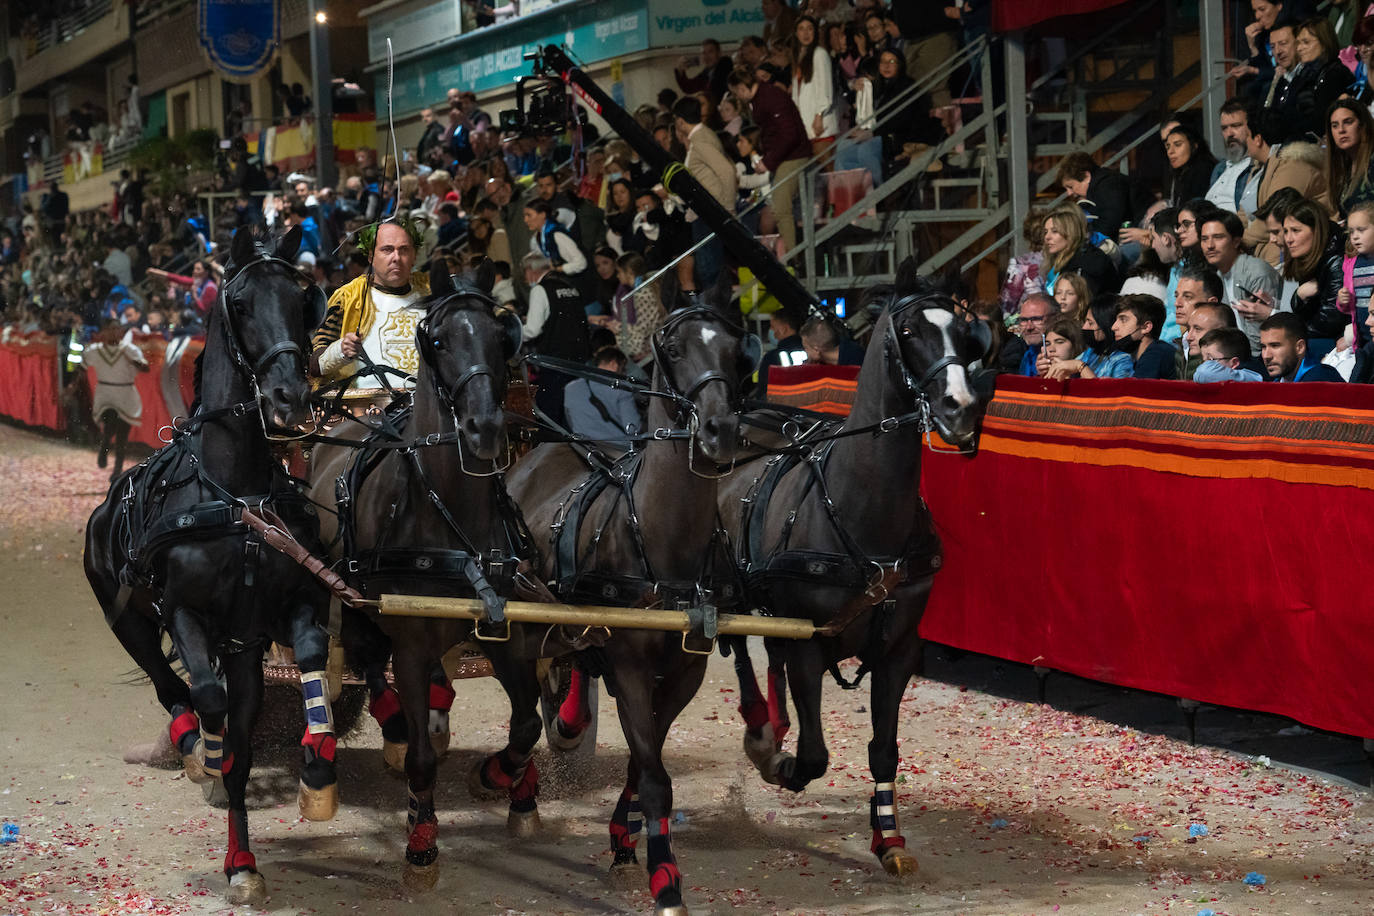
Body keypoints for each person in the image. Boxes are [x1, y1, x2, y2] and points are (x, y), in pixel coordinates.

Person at [310, 219, 429, 386]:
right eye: (387, 250)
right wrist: (340, 350)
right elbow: (314, 365)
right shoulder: (348, 298)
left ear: (414, 256)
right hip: (363, 408)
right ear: (371, 256)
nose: (396, 257)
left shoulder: (433, 292)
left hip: (428, 407)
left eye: (404, 250)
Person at [728, 67, 812, 252]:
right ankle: (792, 254)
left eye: (737, 93)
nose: (738, 97)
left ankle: (792, 256)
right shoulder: (762, 99)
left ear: (742, 87)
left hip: (793, 156)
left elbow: (789, 134)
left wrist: (768, 161)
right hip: (784, 156)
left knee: (781, 206)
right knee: (780, 207)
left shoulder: (770, 98)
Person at [1239, 106, 1331, 261]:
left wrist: (1236, 243)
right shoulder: (1260, 166)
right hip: (1265, 248)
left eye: (1247, 135)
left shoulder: (1293, 163)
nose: (1244, 141)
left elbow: (1274, 214)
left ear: (1258, 139)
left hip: (1292, 250)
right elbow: (1242, 213)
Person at [672, 95, 736, 292]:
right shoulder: (703, 136)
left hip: (708, 212)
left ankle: (717, 313)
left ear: (680, 121)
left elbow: (726, 170)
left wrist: (728, 206)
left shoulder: (701, 141)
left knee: (709, 270)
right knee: (708, 268)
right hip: (706, 210)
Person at [1198, 210, 1283, 353]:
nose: (1209, 245)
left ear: (1236, 241)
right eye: (1204, 239)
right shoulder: (1218, 276)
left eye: (1218, 237)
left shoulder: (1256, 273)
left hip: (1260, 358)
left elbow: (1258, 341)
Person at [522, 251, 591, 423]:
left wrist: (515, 333)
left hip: (555, 360)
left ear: (530, 270)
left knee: (551, 412)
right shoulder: (570, 286)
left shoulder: (540, 289)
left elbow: (532, 330)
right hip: (580, 356)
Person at [1281, 197, 1347, 357]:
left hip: (1338, 341)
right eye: (1285, 231)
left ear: (1316, 231)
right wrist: (1299, 296)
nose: (1289, 239)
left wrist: (1294, 334)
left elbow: (1332, 318)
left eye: (1296, 231)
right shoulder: (1309, 257)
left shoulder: (1335, 259)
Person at [87, 319, 148, 481]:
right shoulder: (95, 350)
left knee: (122, 436)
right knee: (110, 421)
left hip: (126, 393)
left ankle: (117, 470)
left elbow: (145, 368)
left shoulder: (130, 350)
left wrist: (133, 360)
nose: (114, 333)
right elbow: (81, 367)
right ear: (104, 332)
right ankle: (105, 444)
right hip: (106, 393)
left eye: (117, 329)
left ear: (121, 332)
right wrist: (71, 386)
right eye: (110, 329)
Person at [563, 346, 643, 449]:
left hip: (586, 450)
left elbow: (570, 421)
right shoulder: (621, 389)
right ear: (614, 364)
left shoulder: (570, 389)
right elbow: (633, 429)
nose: (624, 373)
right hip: (618, 452)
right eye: (623, 368)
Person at [1046, 298, 1135, 380]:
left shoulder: (1123, 360)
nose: (1084, 327)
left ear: (1105, 324)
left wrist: (1080, 367)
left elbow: (1107, 394)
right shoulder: (1090, 353)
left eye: (1090, 323)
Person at [1041, 205, 1118, 298]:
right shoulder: (1061, 262)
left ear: (1071, 233)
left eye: (1054, 231)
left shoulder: (1090, 262)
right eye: (1045, 232)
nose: (1047, 237)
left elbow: (1084, 303)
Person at [1058, 151, 1135, 240]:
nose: (1069, 193)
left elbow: (1109, 224)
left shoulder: (1108, 185)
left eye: (1071, 187)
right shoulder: (1102, 184)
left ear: (1086, 176)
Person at [792, 16, 839, 158]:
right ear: (796, 33)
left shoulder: (820, 54)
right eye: (801, 29)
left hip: (820, 123)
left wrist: (819, 115)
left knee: (828, 168)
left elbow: (825, 87)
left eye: (810, 29)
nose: (806, 33)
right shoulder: (799, 56)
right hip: (807, 122)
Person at [1259, 310, 1345, 380]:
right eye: (1263, 347)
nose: (1266, 356)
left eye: (1275, 346)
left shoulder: (1321, 381)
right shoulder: (1277, 382)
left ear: (1300, 347)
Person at [1324, 100, 1374, 217]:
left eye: (1348, 122)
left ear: (1362, 126)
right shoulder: (1343, 169)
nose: (1341, 130)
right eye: (1335, 125)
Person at [1207, 99, 1257, 215]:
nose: (1229, 134)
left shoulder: (1257, 166)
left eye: (1236, 126)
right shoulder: (1220, 168)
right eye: (1224, 128)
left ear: (1251, 127)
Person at [1112, 294, 1178, 379]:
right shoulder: (1148, 355)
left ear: (1146, 327)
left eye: (1123, 320)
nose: (1113, 327)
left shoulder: (1157, 353)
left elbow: (1137, 391)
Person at [524, 199, 587, 276]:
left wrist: (559, 269)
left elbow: (581, 263)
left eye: (529, 215)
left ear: (542, 215)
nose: (525, 220)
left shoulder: (557, 235)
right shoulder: (538, 237)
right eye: (525, 216)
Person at [1163, 124, 1219, 206]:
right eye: (1168, 147)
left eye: (1178, 144)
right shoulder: (1177, 174)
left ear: (1194, 146)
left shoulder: (1204, 170)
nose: (1170, 151)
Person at [757, 306, 808, 396]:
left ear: (784, 329)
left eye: (772, 326)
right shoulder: (812, 352)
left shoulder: (772, 357)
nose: (771, 331)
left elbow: (763, 392)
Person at [1011, 292, 1058, 377]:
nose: (1029, 327)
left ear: (1055, 319)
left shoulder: (1066, 353)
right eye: (1024, 320)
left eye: (1036, 319)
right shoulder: (1027, 355)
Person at [1194, 327, 1264, 382]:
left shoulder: (1250, 377)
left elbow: (1204, 373)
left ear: (1234, 362)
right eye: (1203, 360)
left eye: (1210, 360)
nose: (1204, 365)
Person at [675, 39, 735, 103]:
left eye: (710, 52)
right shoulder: (707, 72)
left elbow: (717, 86)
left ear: (719, 53)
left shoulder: (725, 64)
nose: (706, 56)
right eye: (704, 53)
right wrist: (680, 70)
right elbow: (689, 87)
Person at [799, 316, 864, 365]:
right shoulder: (849, 347)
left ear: (816, 350)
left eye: (806, 348)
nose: (805, 351)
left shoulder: (857, 363)